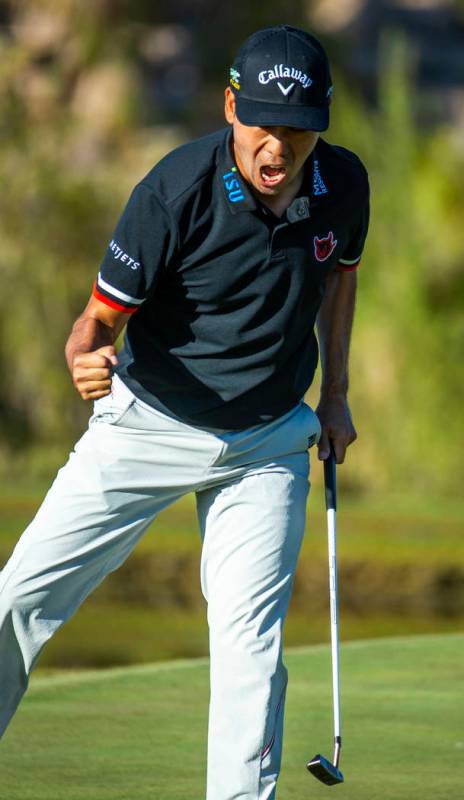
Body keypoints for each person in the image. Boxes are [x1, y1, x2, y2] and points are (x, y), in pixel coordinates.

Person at [0, 24, 369, 800]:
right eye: (265, 125)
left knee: (249, 648)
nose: (280, 149)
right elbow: (98, 318)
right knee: (21, 598)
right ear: (232, 107)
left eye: (299, 132)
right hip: (149, 427)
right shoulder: (173, 192)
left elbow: (340, 280)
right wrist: (85, 355)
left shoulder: (343, 184)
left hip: (267, 441)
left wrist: (333, 395)